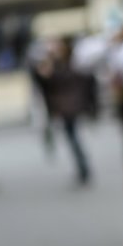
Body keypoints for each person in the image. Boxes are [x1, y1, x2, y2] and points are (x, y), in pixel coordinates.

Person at [33, 36, 95, 185]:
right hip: (67, 107)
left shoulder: (66, 66)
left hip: (67, 107)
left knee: (72, 137)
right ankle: (82, 167)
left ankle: (83, 167)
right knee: (72, 136)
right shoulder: (56, 65)